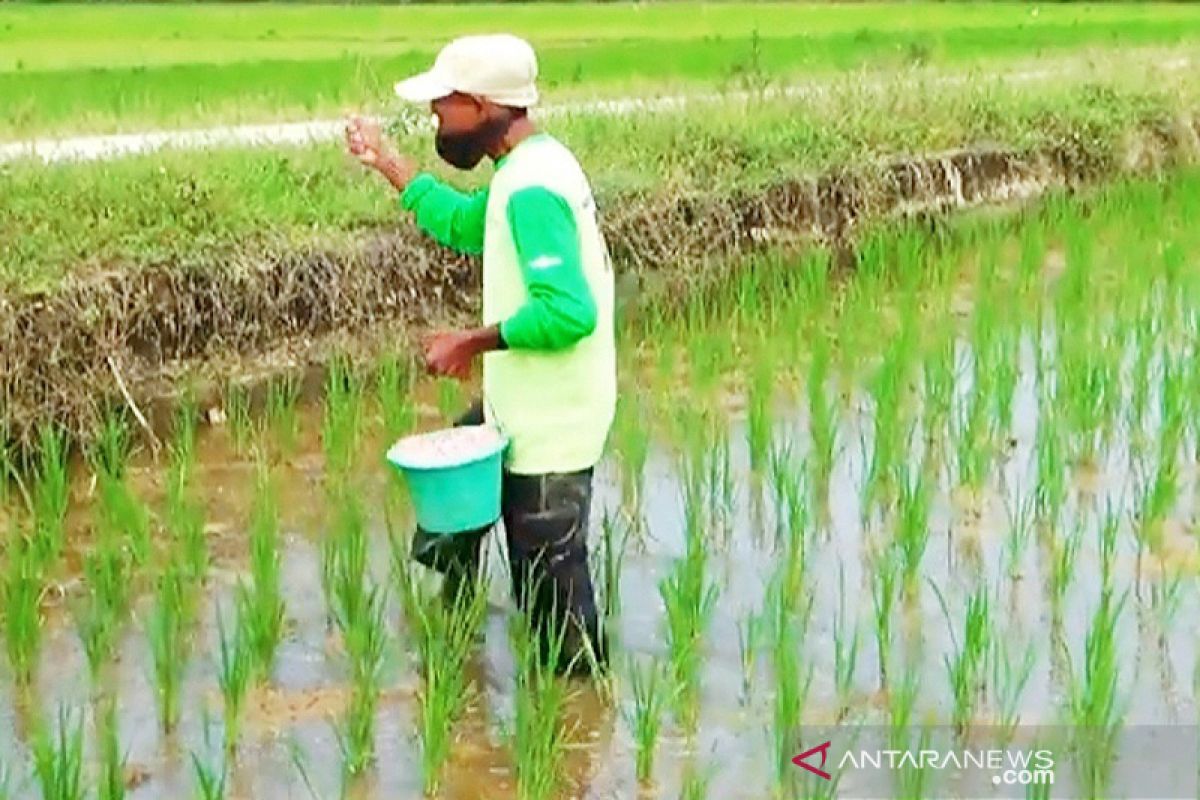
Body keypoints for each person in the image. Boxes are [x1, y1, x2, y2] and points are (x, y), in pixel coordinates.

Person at [346, 34, 615, 675]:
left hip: (552, 428)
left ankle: (579, 734)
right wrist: (388, 162)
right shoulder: (524, 170)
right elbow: (467, 224)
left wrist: (472, 341)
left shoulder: (532, 188)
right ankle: (458, 638)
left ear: (482, 104)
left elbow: (568, 312)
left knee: (556, 609)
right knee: (450, 528)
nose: (436, 117)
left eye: (445, 104)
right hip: (522, 409)